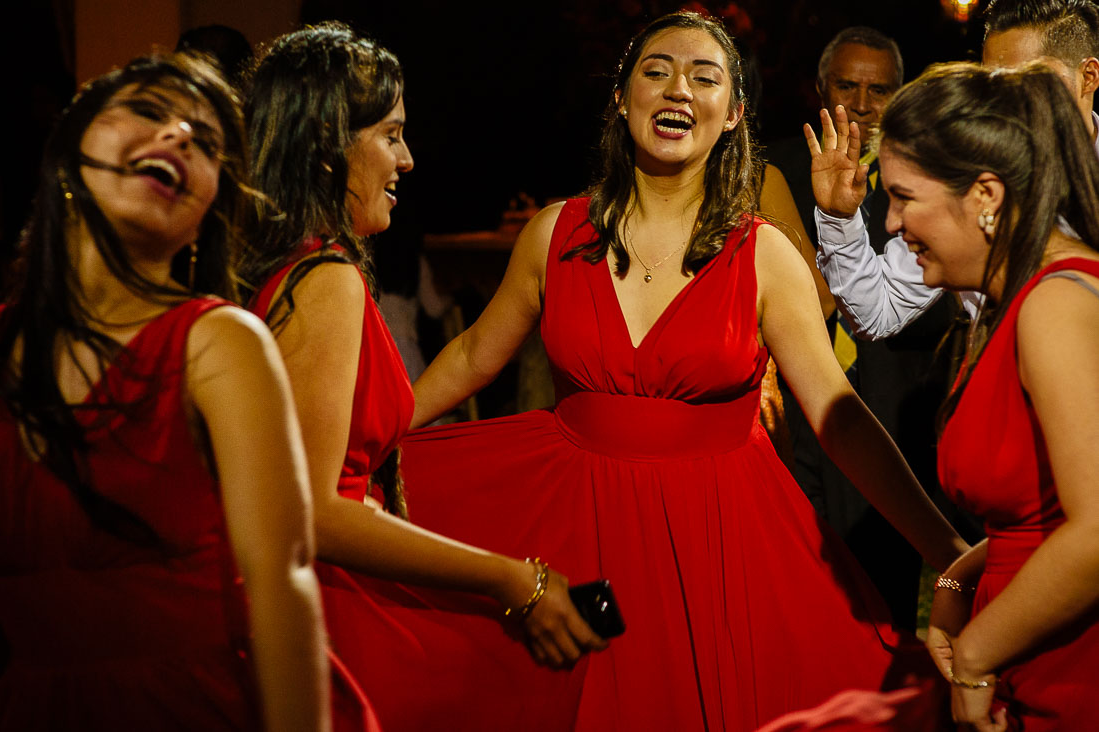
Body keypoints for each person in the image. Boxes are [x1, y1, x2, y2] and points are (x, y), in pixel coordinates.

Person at [376, 12, 970, 730]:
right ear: (621, 101)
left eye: (704, 76)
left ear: (733, 115)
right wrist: (364, 446)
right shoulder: (554, 234)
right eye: (655, 71)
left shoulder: (764, 255)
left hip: (718, 547)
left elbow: (838, 418)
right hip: (572, 533)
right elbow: (473, 356)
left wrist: (945, 549)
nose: (677, 88)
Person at [241, 21, 605, 726]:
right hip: (329, 622)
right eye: (390, 134)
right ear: (325, 148)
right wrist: (514, 580)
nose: (407, 160)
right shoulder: (325, 279)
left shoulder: (277, 265)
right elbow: (316, 510)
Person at [0, 54, 332, 731]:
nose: (179, 136)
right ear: (72, 144)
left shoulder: (218, 343)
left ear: (207, 210)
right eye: (150, 112)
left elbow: (285, 579)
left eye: (205, 143)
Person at [806, 59, 1099, 732]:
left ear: (985, 195)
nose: (891, 224)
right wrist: (959, 576)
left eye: (906, 197)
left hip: (1069, 675)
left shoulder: (1055, 306)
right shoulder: (1018, 299)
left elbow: (1095, 531)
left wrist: (975, 652)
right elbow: (1039, 512)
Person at [775, 26, 957, 632]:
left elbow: (904, 303)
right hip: (797, 402)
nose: (860, 103)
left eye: (878, 90)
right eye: (846, 86)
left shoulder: (937, 170)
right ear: (819, 88)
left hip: (896, 406)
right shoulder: (776, 168)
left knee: (883, 595)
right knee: (790, 573)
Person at [811, 0, 1099, 339]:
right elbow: (878, 311)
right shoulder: (966, 173)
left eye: (1025, 81)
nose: (1002, 102)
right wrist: (839, 220)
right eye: (991, 83)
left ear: (1088, 77)